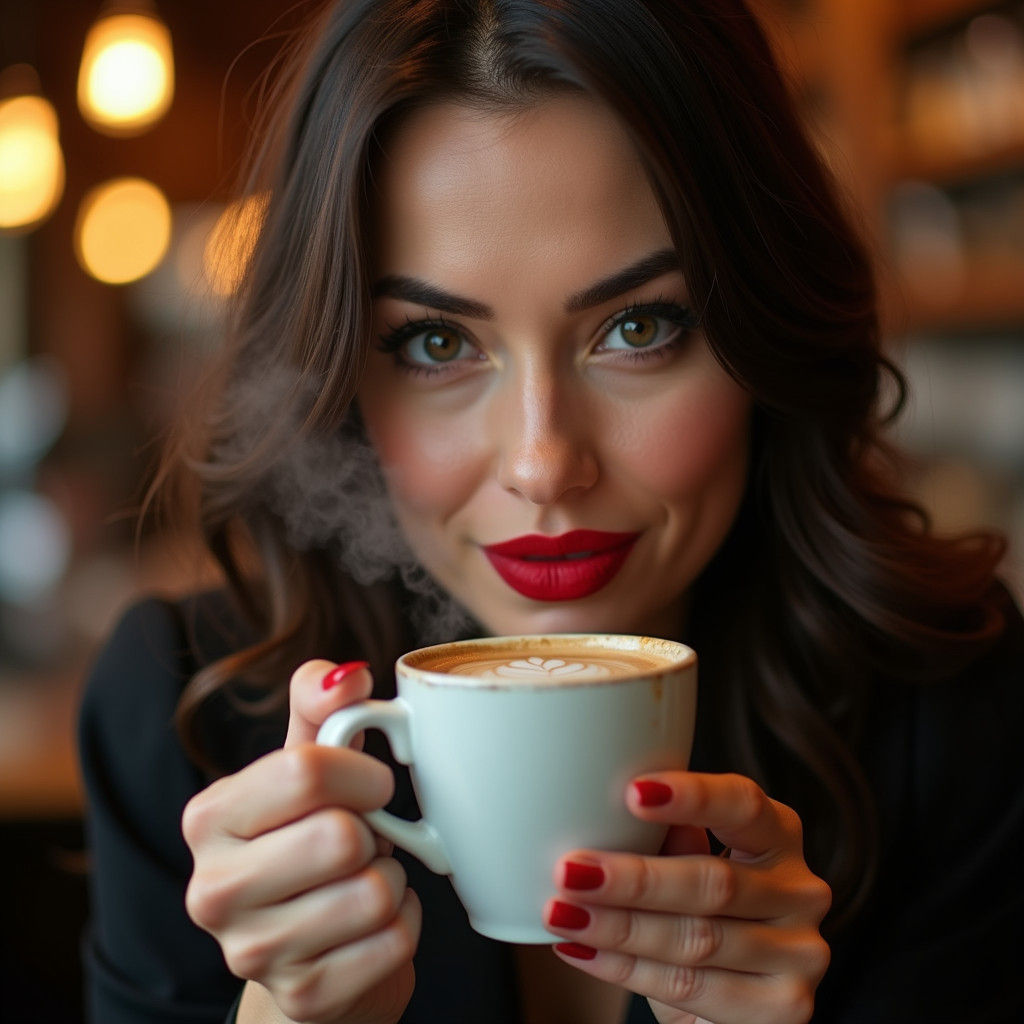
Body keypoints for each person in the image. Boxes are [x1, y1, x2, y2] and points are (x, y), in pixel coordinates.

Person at [77, 1, 1024, 1022]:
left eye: (639, 326)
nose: (543, 464)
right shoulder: (180, 725)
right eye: (436, 344)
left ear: (763, 332)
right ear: (342, 380)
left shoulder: (955, 718)